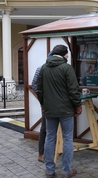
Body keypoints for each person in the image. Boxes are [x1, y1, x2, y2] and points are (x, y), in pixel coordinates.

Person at [37, 44, 82, 178]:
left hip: (49, 110)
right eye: (67, 54)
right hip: (66, 110)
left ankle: (50, 171)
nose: (68, 56)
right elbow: (73, 90)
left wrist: (43, 105)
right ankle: (66, 171)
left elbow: (39, 90)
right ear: (64, 54)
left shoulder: (44, 68)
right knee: (67, 139)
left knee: (50, 138)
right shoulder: (67, 68)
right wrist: (77, 106)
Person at [32, 51, 53, 163]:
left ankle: (52, 150)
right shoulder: (41, 68)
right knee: (45, 128)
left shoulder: (61, 68)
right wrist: (43, 98)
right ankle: (41, 153)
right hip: (46, 103)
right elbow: (34, 84)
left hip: (57, 103)